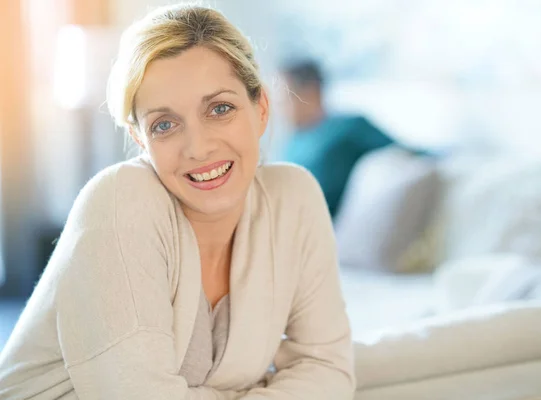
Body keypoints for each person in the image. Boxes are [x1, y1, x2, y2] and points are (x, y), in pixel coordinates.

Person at [0, 4, 355, 399]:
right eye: (164, 125)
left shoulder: (295, 197)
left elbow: (327, 367)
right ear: (140, 141)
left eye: (220, 109)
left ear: (261, 109)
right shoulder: (120, 200)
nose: (198, 148)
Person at [280, 60, 394, 218]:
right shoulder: (293, 140)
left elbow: (404, 152)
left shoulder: (349, 128)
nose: (279, 107)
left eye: (285, 98)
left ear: (310, 92)